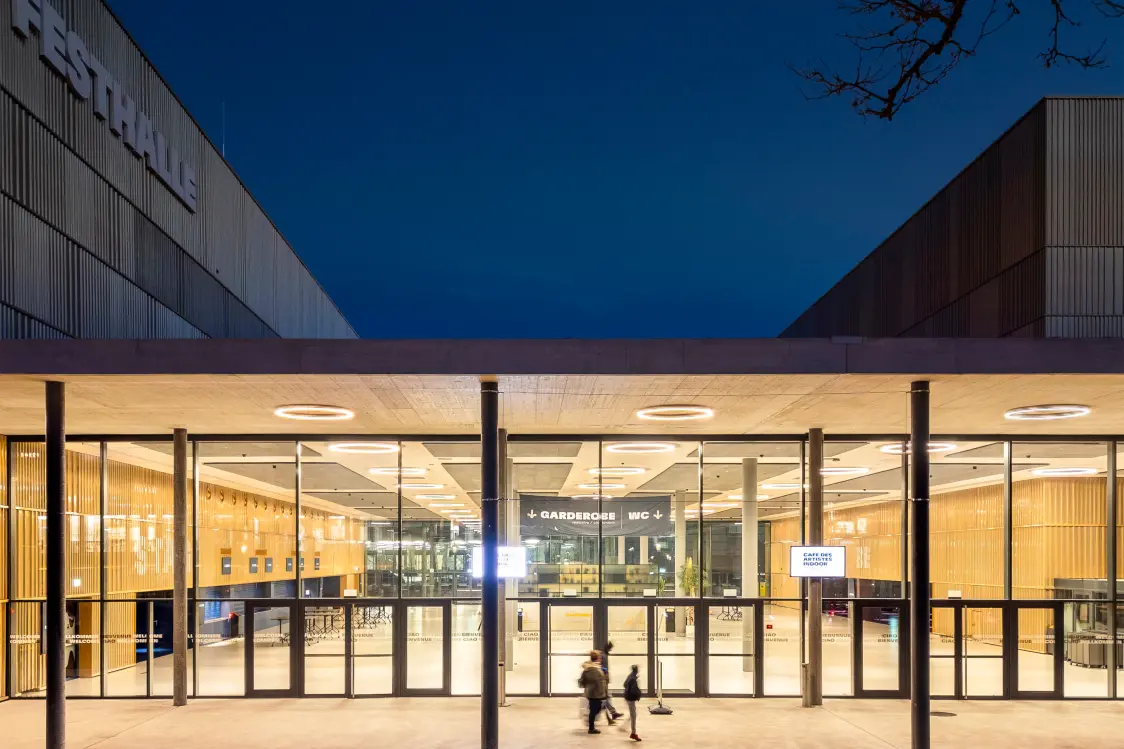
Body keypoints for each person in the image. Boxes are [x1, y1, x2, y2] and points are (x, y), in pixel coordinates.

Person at [579, 651, 612, 734]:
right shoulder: (594, 669)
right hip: (596, 694)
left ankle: (591, 725)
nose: (600, 659)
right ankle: (591, 727)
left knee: (595, 709)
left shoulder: (591, 668)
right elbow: (600, 682)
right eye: (599, 657)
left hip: (592, 692)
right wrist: (603, 693)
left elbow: (583, 681)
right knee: (595, 710)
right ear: (597, 658)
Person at [600, 641, 623, 720]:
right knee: (606, 697)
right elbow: (602, 668)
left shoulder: (604, 655)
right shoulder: (603, 655)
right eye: (610, 649)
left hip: (604, 680)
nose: (610, 650)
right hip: (603, 680)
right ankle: (613, 712)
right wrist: (606, 673)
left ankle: (613, 712)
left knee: (606, 697)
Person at [623, 664, 642, 742]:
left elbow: (624, 684)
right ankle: (633, 733)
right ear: (637, 670)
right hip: (630, 699)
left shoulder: (630, 676)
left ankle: (624, 727)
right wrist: (638, 695)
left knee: (633, 714)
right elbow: (634, 691)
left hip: (627, 697)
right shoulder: (633, 678)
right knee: (633, 716)